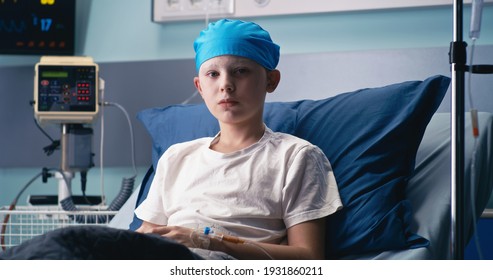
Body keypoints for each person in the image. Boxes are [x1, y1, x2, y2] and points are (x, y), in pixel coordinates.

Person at [134, 18, 342, 260]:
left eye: (240, 71)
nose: (226, 85)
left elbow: (308, 258)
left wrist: (206, 241)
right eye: (213, 74)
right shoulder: (177, 157)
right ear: (200, 87)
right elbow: (147, 235)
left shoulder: (296, 157)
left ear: (271, 80)